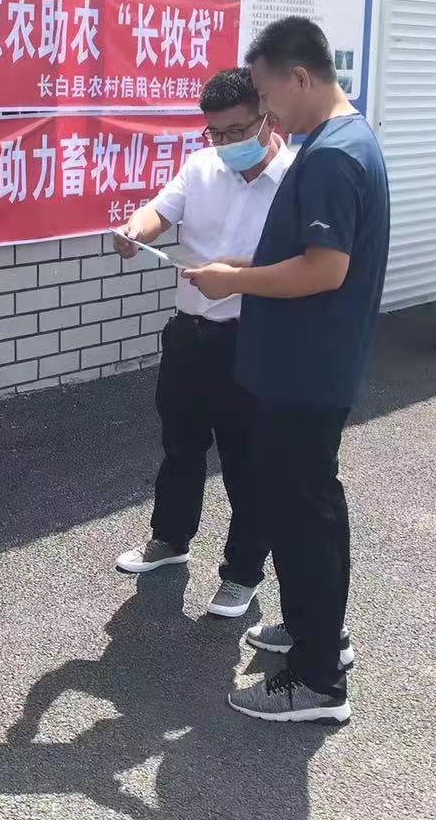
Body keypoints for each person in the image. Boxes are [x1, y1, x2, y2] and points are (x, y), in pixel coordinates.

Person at [185, 17, 389, 725]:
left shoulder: (332, 156)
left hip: (304, 373)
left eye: (269, 96)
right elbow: (302, 254)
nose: (267, 114)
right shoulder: (343, 141)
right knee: (311, 509)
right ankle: (317, 633)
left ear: (300, 77)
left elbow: (324, 269)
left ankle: (316, 681)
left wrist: (236, 283)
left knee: (302, 516)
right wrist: (239, 266)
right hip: (309, 369)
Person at [112, 68, 291, 620]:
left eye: (237, 131)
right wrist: (136, 229)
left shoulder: (296, 180)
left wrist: (235, 276)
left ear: (267, 118)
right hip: (189, 333)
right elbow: (160, 210)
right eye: (216, 132)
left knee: (246, 462)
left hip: (253, 340)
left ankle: (242, 573)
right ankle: (170, 539)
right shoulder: (201, 166)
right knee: (181, 446)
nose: (226, 143)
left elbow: (301, 263)